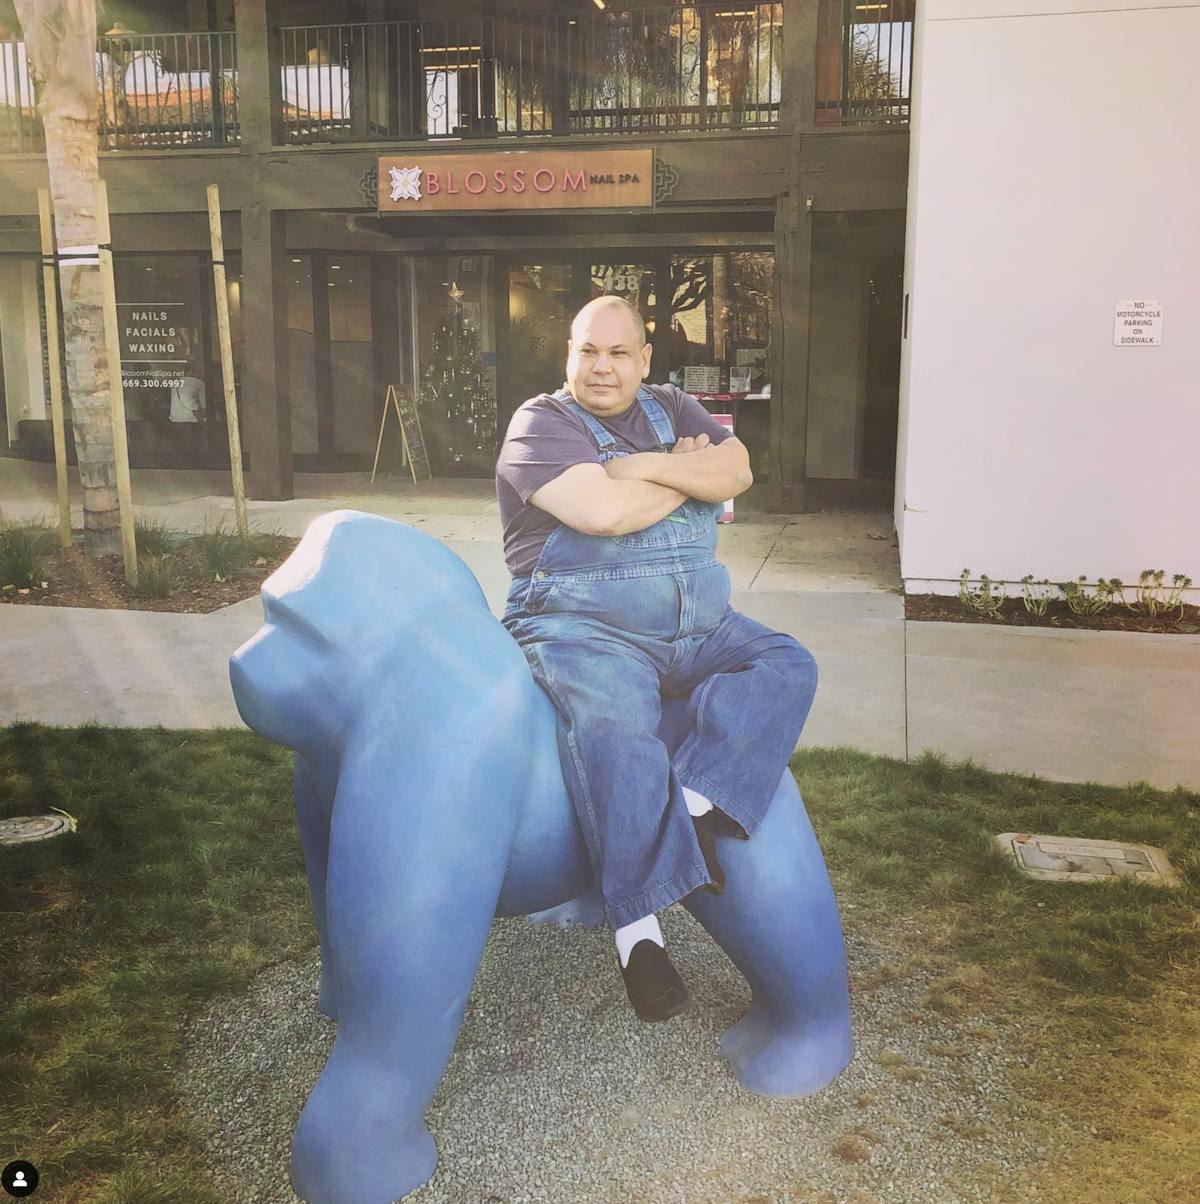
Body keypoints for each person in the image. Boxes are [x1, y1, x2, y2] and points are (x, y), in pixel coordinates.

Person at [495, 296, 818, 1022]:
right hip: (583, 626)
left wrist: (638, 468)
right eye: (587, 352)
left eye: (618, 353)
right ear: (568, 356)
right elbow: (602, 515)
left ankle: (697, 803)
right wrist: (680, 471)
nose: (602, 367)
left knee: (787, 665)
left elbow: (736, 474)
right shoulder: (539, 424)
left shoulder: (676, 405)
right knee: (612, 730)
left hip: (702, 625)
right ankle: (639, 934)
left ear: (645, 359)